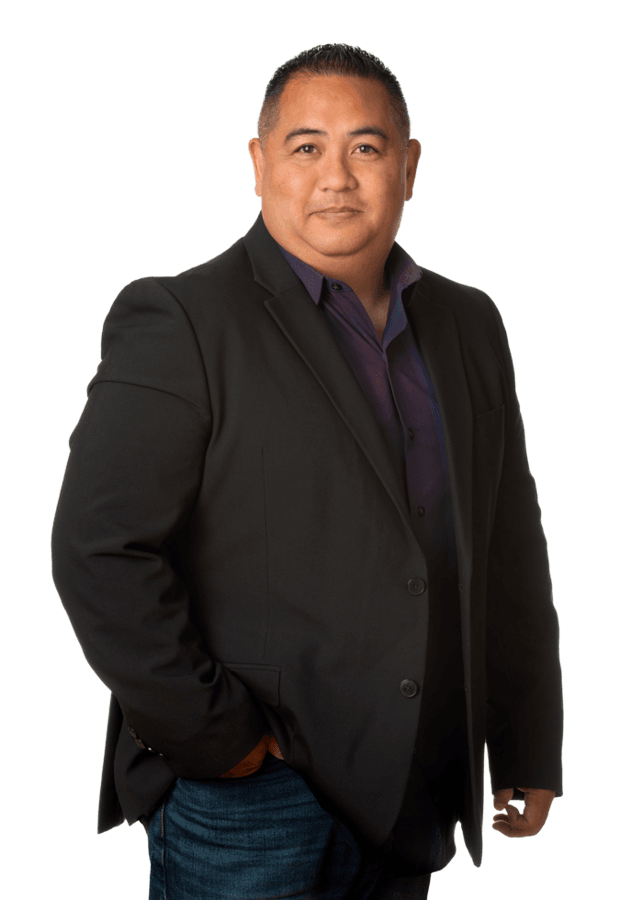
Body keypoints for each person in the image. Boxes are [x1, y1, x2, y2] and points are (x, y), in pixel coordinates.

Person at [51, 42, 563, 900]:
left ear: (408, 167)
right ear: (259, 164)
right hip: (253, 801)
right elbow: (99, 551)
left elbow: (507, 544)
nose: (336, 177)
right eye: (305, 147)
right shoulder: (182, 319)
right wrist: (218, 740)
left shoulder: (468, 323)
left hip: (419, 783)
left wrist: (524, 743)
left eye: (365, 147)